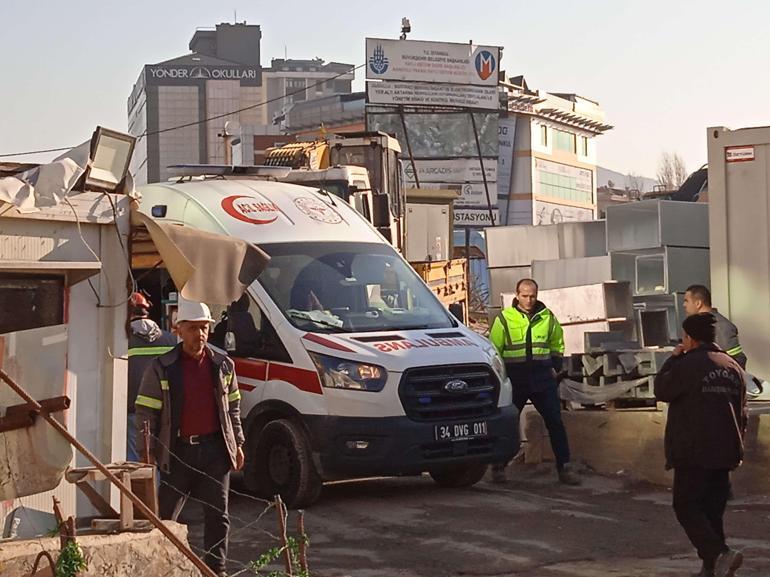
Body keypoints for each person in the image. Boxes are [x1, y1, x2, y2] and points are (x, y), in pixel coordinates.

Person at [135, 297, 245, 576]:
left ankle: (215, 570)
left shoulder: (222, 364)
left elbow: (233, 407)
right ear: (178, 329)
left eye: (204, 328)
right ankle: (161, 568)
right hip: (177, 452)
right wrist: (146, 452)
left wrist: (238, 443)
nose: (200, 335)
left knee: (218, 516)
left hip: (214, 452)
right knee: (165, 517)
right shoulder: (162, 366)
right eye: (193, 328)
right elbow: (146, 413)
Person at [654, 313, 747, 577]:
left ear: (690, 339)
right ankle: (714, 569)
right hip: (725, 451)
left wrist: (673, 358)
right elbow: (743, 411)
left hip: (693, 450)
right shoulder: (732, 366)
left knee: (685, 505)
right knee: (711, 511)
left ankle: (719, 554)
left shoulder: (689, 364)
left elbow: (661, 389)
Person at [488, 278, 580, 486]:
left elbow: (557, 341)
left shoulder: (547, 317)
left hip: (542, 379)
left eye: (533, 296)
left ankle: (565, 468)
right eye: (525, 296)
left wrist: (555, 364)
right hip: (515, 379)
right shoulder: (504, 319)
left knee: (555, 422)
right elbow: (494, 350)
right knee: (507, 423)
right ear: (517, 295)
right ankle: (498, 466)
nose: (529, 300)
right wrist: (500, 378)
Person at [126, 292, 176, 462]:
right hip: (166, 413)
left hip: (134, 412)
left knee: (138, 462)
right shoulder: (170, 340)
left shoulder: (123, 341)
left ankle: (141, 489)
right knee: (164, 458)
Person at [683, 285, 747, 369]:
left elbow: (737, 361)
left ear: (698, 303)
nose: (684, 305)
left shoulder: (721, 326)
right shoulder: (693, 325)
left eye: (686, 301)